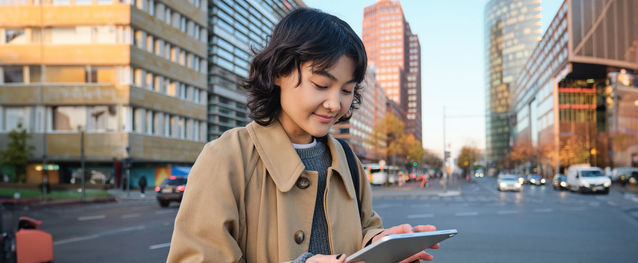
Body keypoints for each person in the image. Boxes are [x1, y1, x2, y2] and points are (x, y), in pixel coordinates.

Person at [167, 8, 440, 263]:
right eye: (321, 85)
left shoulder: (347, 160)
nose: (335, 104)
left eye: (347, 90)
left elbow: (365, 229)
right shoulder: (227, 157)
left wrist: (380, 244)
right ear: (278, 72)